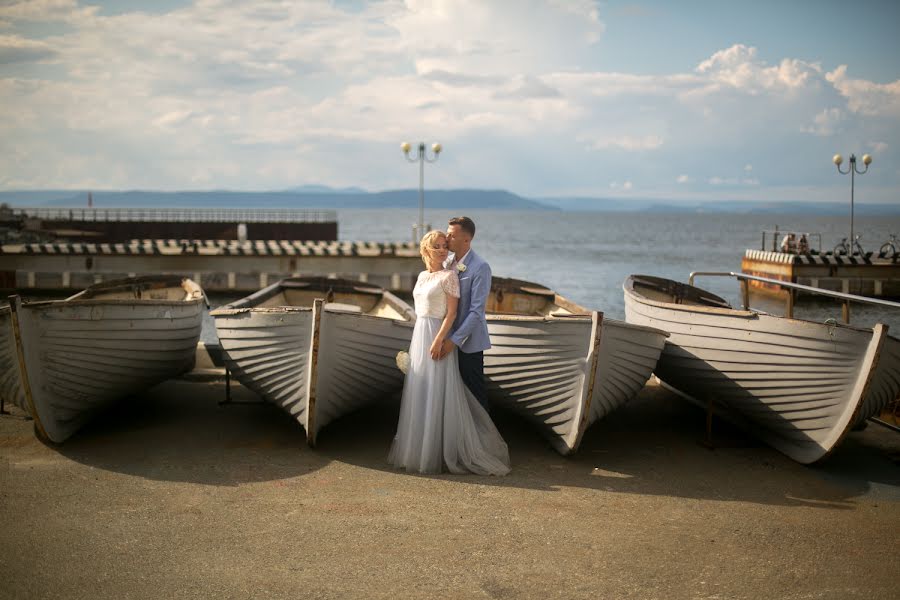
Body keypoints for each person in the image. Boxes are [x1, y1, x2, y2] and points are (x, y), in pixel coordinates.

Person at [388, 230, 510, 475]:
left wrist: (440, 340)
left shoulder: (450, 276)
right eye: (438, 246)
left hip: (437, 335)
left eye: (445, 245)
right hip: (420, 333)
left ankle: (449, 451)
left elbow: (452, 314)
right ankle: (421, 448)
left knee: (440, 392)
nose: (443, 249)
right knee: (421, 391)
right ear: (426, 250)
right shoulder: (422, 275)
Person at [441, 216, 492, 414]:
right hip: (447, 337)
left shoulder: (480, 267)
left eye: (451, 235)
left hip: (468, 343)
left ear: (466, 240)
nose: (447, 238)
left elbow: (476, 312)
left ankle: (484, 439)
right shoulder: (446, 263)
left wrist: (454, 341)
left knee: (474, 395)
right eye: (447, 233)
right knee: (453, 393)